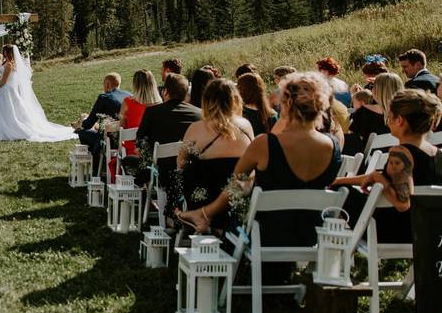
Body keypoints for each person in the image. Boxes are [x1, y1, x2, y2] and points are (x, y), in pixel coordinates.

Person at [178, 73, 342, 252]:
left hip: (265, 234)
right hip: (313, 234)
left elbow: (234, 186)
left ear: (286, 104)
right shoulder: (333, 146)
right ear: (320, 104)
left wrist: (204, 212)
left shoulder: (266, 144)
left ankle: (206, 220)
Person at [333, 90, 442, 243]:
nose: (387, 121)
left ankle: (331, 248)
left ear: (400, 120)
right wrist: (338, 180)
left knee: (339, 194)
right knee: (338, 187)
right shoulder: (436, 153)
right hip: (421, 228)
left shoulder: (401, 153)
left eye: (389, 117)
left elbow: (403, 203)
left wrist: (379, 179)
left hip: (394, 230)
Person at [176, 79, 255, 233]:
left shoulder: (196, 128)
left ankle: (190, 216)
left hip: (204, 196)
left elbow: (180, 163)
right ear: (235, 99)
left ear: (207, 101)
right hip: (237, 198)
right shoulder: (246, 125)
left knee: (186, 173)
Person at [120, 73, 201, 188]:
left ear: (166, 91)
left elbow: (139, 145)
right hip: (190, 169)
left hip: (160, 171)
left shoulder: (152, 112)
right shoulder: (200, 114)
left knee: (127, 161)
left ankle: (143, 195)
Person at [0, 45, 75, 142]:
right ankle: (3, 129)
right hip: (7, 89)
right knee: (9, 110)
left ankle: (10, 130)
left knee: (10, 110)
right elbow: (5, 76)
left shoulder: (9, 65)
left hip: (7, 90)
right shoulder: (9, 64)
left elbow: (4, 81)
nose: (3, 53)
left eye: (4, 52)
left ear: (7, 53)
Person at [108, 70, 161, 179]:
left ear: (135, 84)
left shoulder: (128, 102)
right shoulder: (160, 104)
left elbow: (121, 127)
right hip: (154, 150)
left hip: (132, 149)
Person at [71, 73, 130, 169]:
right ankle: (100, 165)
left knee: (82, 132)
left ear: (107, 85)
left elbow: (88, 125)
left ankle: (96, 165)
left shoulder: (104, 97)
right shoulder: (129, 95)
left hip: (110, 140)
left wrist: (83, 121)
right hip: (126, 139)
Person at [345, 72, 403, 155]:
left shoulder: (364, 112)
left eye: (373, 87)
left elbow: (353, 140)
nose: (372, 90)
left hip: (369, 162)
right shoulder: (405, 115)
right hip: (396, 160)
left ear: (378, 90)